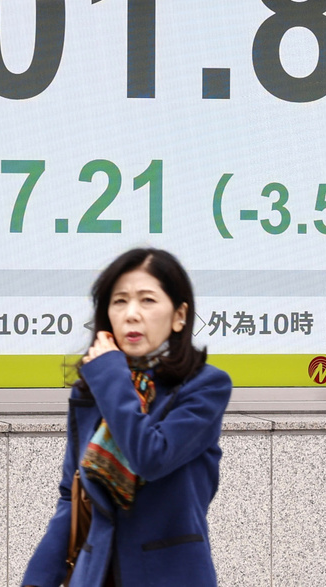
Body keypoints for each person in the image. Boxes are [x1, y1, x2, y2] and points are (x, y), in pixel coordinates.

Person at [22, 248, 231, 587]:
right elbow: (69, 497)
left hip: (170, 576)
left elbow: (150, 456)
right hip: (95, 575)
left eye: (147, 300)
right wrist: (37, 581)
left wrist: (111, 378)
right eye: (119, 301)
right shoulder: (92, 391)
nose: (131, 314)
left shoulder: (204, 387)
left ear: (179, 316)